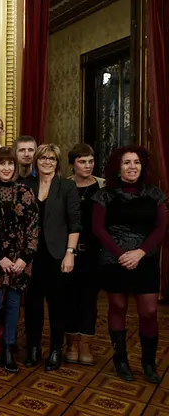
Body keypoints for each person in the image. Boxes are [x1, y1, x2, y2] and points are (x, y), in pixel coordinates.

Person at [93, 146, 167, 383]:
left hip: (145, 259)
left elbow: (161, 228)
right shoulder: (104, 195)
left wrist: (140, 253)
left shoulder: (155, 194)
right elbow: (98, 228)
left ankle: (148, 363)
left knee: (150, 311)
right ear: (118, 167)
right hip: (114, 260)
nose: (132, 166)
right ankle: (121, 360)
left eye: (136, 162)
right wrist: (121, 255)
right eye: (127, 162)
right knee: (117, 307)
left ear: (142, 167)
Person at [0, 148, 39, 374]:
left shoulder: (26, 192)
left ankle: (9, 350)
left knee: (13, 306)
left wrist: (24, 258)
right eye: (2, 164)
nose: (6, 168)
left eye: (10, 164)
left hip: (20, 260)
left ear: (15, 166)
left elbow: (33, 227)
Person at [22, 144, 81, 372]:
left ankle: (56, 349)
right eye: (43, 158)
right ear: (36, 161)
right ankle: (33, 347)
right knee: (32, 304)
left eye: (52, 159)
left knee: (57, 304)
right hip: (30, 255)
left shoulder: (67, 186)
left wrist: (70, 253)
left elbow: (75, 223)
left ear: (57, 162)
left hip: (57, 254)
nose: (47, 162)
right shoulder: (26, 185)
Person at [63, 143, 105, 366]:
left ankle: (86, 344)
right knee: (70, 298)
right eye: (82, 162)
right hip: (68, 251)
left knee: (89, 299)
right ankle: (71, 343)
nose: (88, 165)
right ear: (73, 164)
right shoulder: (63, 186)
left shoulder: (103, 186)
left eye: (91, 161)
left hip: (93, 252)